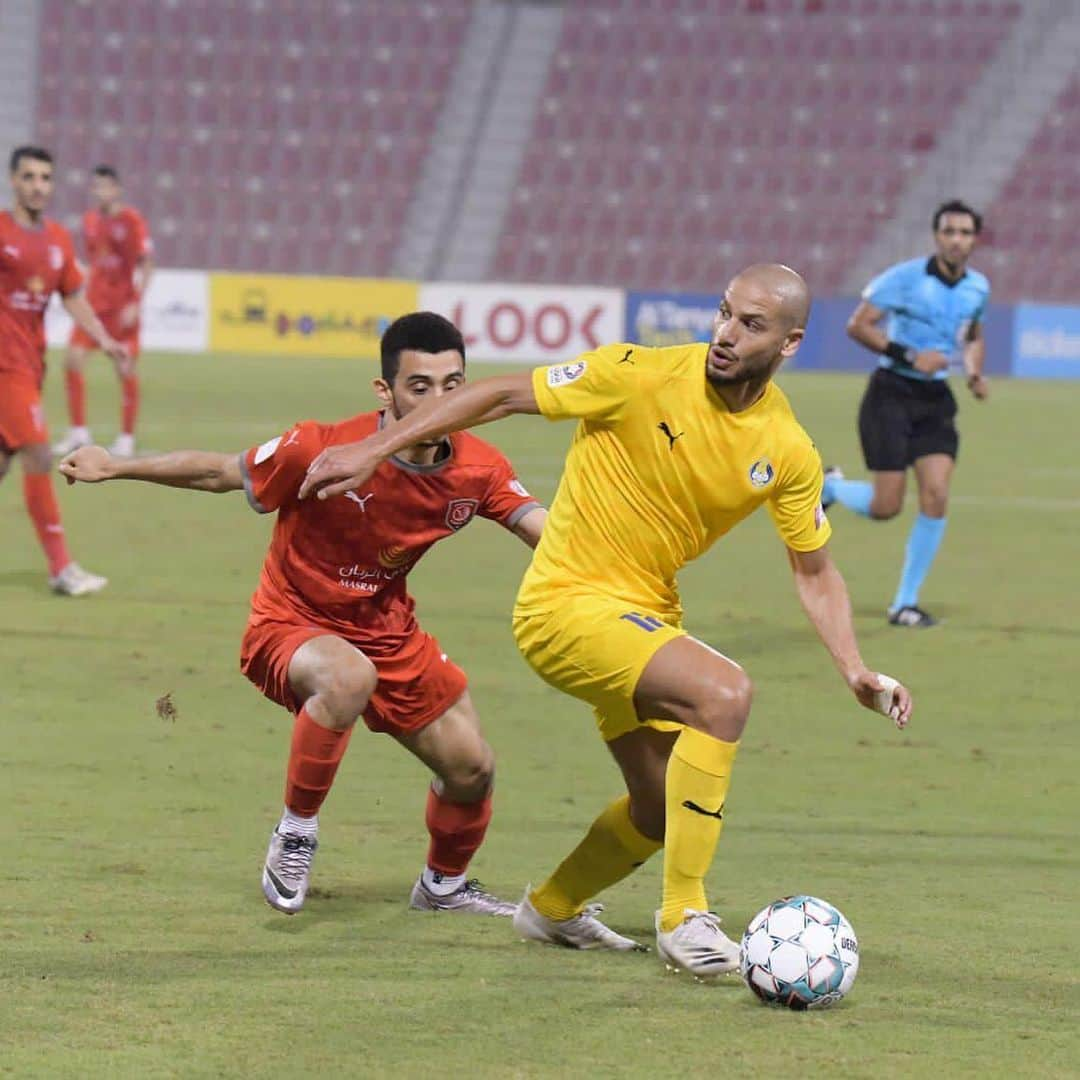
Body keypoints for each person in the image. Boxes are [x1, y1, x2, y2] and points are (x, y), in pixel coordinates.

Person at [298, 264, 913, 977]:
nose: (725, 333)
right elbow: (498, 394)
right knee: (724, 693)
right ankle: (687, 919)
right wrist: (372, 448)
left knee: (657, 808)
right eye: (723, 313)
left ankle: (552, 908)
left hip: (642, 619)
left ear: (790, 343)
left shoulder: (788, 450)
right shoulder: (635, 372)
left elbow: (815, 569)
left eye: (751, 325)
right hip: (564, 605)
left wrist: (855, 669)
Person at [60, 312, 546, 916]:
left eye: (453, 386)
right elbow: (220, 471)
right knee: (348, 677)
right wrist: (117, 466)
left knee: (472, 769)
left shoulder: (479, 467)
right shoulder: (320, 446)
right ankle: (295, 832)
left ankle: (443, 886)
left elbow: (545, 533)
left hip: (388, 632)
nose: (439, 401)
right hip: (291, 622)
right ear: (385, 391)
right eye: (420, 387)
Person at [823, 199, 990, 628]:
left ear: (974, 239)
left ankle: (904, 604)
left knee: (936, 495)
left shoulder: (977, 288)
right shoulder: (904, 279)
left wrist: (973, 371)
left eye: (965, 233)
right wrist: (911, 355)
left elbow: (972, 333)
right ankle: (832, 488)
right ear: (936, 236)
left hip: (936, 400)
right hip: (891, 395)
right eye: (949, 231)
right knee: (886, 507)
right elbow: (858, 324)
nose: (956, 240)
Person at [1, 146, 128, 595]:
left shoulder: (56, 239)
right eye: (29, 177)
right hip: (5, 368)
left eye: (45, 178)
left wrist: (107, 340)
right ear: (13, 181)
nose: (38, 186)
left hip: (30, 366)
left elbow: (73, 296)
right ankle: (62, 569)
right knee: (38, 453)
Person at [53, 164, 153, 459]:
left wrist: (136, 302)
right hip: (95, 304)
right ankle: (78, 433)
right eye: (96, 187)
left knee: (124, 368)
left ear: (117, 189)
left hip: (122, 306)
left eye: (106, 186)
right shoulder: (90, 221)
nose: (101, 192)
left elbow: (146, 263)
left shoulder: (132, 220)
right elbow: (94, 259)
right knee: (72, 360)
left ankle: (126, 438)